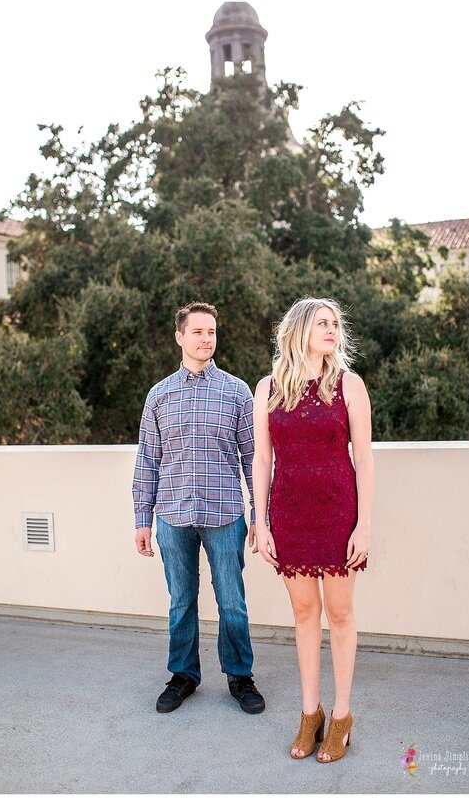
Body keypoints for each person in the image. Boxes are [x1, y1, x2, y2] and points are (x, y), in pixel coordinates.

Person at [252, 297, 373, 762]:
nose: (332, 329)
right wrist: (260, 523)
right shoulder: (267, 388)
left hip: (339, 514)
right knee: (304, 614)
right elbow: (263, 459)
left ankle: (341, 715)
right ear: (299, 329)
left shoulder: (349, 384)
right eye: (322, 322)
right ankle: (311, 713)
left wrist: (364, 525)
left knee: (339, 615)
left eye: (335, 323)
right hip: (288, 514)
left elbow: (363, 458)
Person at [132, 301, 265, 715]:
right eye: (197, 332)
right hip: (172, 516)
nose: (206, 338)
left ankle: (240, 676)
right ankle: (183, 675)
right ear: (180, 337)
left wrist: (261, 517)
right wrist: (142, 520)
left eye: (211, 332)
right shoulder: (159, 395)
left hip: (225, 515)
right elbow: (148, 460)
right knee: (181, 600)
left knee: (232, 601)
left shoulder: (237, 391)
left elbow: (253, 459)